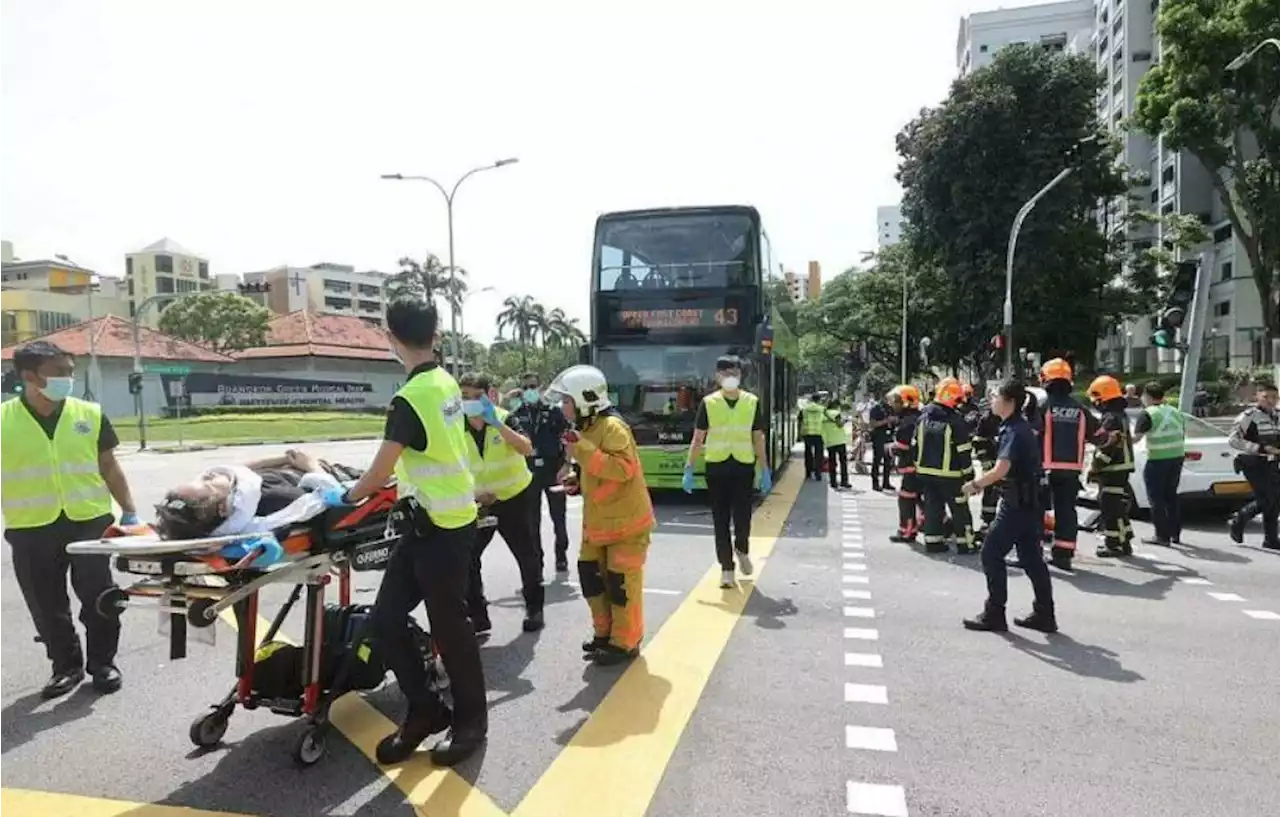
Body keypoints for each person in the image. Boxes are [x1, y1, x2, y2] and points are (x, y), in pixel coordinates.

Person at [341, 298, 486, 767]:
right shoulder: (444, 381)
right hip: (430, 523)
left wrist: (343, 497)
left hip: (442, 530)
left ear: (391, 338)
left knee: (452, 628)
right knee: (384, 619)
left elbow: (379, 471)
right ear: (435, 334)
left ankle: (471, 725)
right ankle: (426, 710)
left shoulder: (410, 398)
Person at [1, 341, 139, 699]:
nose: (68, 378)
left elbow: (109, 465)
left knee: (100, 598)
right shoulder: (2, 421)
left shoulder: (89, 413)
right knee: (48, 607)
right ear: (30, 376)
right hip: (30, 527)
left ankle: (103, 664)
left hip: (88, 522)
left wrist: (129, 509)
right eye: (59, 372)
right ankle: (66, 667)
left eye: (70, 371)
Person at [549, 364, 654, 665]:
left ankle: (625, 643)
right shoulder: (586, 428)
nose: (563, 406)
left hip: (627, 524)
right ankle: (603, 634)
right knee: (591, 579)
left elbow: (622, 469)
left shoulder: (613, 428)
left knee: (622, 585)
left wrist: (580, 448)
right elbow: (595, 470)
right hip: (598, 523)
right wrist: (576, 481)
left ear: (585, 399)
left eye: (566, 400)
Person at [961, 379, 1057, 633]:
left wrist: (975, 485)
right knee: (1031, 558)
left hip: (1017, 503)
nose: (991, 400)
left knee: (991, 553)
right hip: (1028, 502)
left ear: (1009, 402)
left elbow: (1001, 468)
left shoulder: (1015, 430)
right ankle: (1044, 614)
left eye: (995, 396)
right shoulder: (1016, 427)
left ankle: (995, 613)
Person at [456, 371, 545, 635]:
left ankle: (534, 608)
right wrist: (475, 496)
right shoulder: (454, 425)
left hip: (514, 498)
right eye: (464, 396)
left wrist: (496, 424)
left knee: (526, 555)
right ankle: (478, 615)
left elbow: (526, 448)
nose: (470, 401)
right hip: (479, 503)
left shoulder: (505, 418)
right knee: (469, 558)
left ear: (489, 395)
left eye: (476, 396)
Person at [685, 356, 771, 588]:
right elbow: (698, 438)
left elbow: (758, 437)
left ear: (740, 376)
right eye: (724, 373)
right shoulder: (709, 403)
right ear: (717, 376)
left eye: (733, 372)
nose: (729, 377)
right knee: (720, 520)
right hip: (717, 468)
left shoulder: (751, 401)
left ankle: (742, 549)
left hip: (743, 467)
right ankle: (727, 569)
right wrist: (689, 468)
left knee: (743, 517)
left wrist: (764, 469)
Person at [154, 450, 349, 539]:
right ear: (224, 507)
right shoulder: (272, 500)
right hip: (337, 475)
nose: (209, 475)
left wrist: (284, 458)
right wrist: (310, 464)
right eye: (209, 482)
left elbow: (239, 469)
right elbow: (330, 494)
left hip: (296, 467)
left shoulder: (236, 494)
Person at [1037, 358, 1099, 570]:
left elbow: (1027, 435)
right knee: (1066, 511)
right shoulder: (1081, 410)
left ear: (1045, 379)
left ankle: (1034, 551)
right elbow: (1100, 436)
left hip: (1043, 469)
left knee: (1036, 510)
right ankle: (1064, 555)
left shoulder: (1042, 407)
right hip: (1071, 470)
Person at [514, 372, 572, 573]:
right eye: (525, 387)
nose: (529, 391)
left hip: (553, 469)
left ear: (540, 388)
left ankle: (561, 555)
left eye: (533, 386)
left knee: (559, 518)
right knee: (531, 523)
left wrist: (567, 464)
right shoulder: (517, 414)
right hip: (528, 473)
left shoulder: (554, 412)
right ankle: (536, 563)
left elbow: (568, 438)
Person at [914, 378, 977, 555]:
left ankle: (933, 543)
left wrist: (917, 467)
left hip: (926, 474)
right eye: (957, 400)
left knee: (932, 508)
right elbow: (963, 451)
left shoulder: (923, 416)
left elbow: (914, 445)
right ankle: (966, 544)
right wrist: (970, 475)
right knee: (960, 510)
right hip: (952, 476)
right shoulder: (955, 420)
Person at [1087, 375, 1136, 558]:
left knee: (1109, 507)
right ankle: (1124, 540)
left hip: (1113, 469)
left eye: (1096, 398)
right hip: (1120, 467)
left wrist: (1095, 467)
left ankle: (1113, 544)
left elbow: (1108, 447)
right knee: (1116, 506)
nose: (1095, 402)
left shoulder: (1110, 418)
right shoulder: (1119, 415)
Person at [1227, 382, 1280, 549]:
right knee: (1267, 499)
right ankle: (1239, 519)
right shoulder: (1248, 416)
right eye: (1266, 397)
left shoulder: (1277, 415)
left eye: (1274, 397)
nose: (1270, 401)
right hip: (1251, 462)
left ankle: (1271, 539)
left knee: (1275, 500)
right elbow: (1233, 440)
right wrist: (1260, 448)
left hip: (1272, 462)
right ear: (1257, 396)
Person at [1132, 381, 1185, 547]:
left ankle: (1162, 536)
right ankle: (1175, 533)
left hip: (1157, 459)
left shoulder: (1147, 414)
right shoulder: (1176, 412)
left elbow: (1137, 438)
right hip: (1176, 458)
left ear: (1147, 396)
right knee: (1171, 496)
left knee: (1156, 499)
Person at [888, 386, 924, 543]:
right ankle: (942, 524)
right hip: (919, 467)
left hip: (911, 467)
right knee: (922, 499)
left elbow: (903, 446)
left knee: (906, 499)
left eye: (896, 401)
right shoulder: (917, 417)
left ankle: (907, 532)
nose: (893, 405)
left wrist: (890, 448)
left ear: (906, 402)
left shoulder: (908, 422)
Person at [822, 395, 851, 490]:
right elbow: (839, 425)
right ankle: (844, 481)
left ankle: (833, 482)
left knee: (832, 462)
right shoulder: (836, 413)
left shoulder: (824, 414)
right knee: (843, 462)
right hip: (839, 441)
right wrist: (845, 421)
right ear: (836, 405)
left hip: (829, 441)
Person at [867, 392, 895, 492]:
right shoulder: (875, 409)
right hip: (879, 436)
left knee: (889, 461)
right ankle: (875, 483)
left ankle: (886, 483)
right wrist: (886, 421)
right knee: (877, 460)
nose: (889, 400)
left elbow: (895, 419)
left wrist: (894, 421)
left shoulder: (891, 408)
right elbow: (873, 424)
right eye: (887, 397)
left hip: (889, 436)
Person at [799, 392, 827, 480]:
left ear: (811, 399)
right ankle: (818, 474)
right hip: (819, 434)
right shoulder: (822, 409)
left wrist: (800, 432)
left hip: (807, 434)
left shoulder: (804, 409)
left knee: (808, 453)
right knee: (819, 454)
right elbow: (826, 420)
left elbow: (800, 420)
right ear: (819, 400)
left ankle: (808, 473)